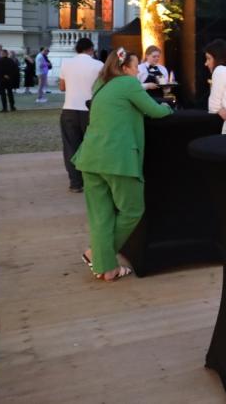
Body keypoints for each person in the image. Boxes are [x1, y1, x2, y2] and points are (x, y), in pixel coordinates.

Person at [72, 48, 172, 281]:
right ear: (125, 68)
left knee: (100, 215)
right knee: (132, 210)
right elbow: (156, 111)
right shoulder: (128, 83)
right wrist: (168, 106)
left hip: (90, 157)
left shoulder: (101, 85)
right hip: (118, 159)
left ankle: (107, 268)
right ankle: (98, 257)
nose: (137, 71)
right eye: (135, 67)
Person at [58, 37, 104, 193]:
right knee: (92, 145)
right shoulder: (98, 65)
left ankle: (75, 182)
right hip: (91, 109)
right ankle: (93, 179)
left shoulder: (66, 63)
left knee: (71, 146)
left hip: (69, 109)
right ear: (91, 49)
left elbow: (62, 87)